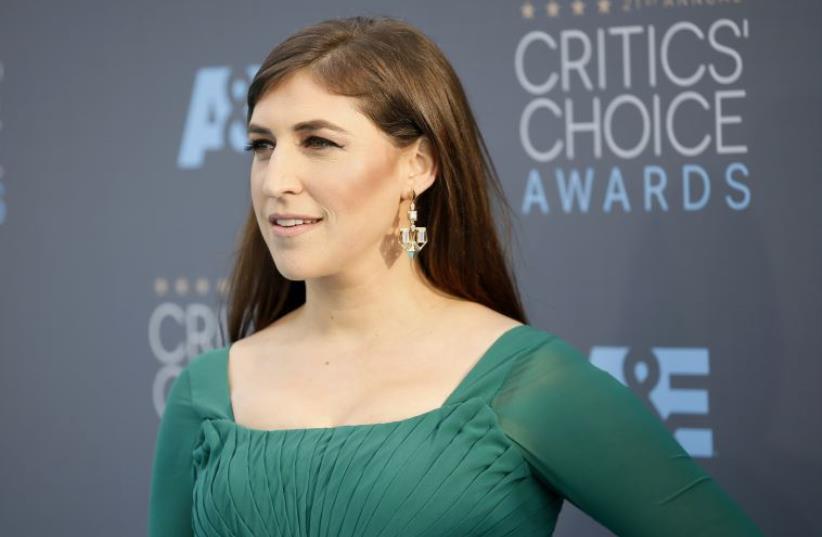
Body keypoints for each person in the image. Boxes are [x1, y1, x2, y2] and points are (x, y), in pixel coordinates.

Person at [148, 15, 764, 537]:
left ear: (417, 165)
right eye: (262, 144)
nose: (275, 179)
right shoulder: (208, 392)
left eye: (318, 142)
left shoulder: (528, 382)